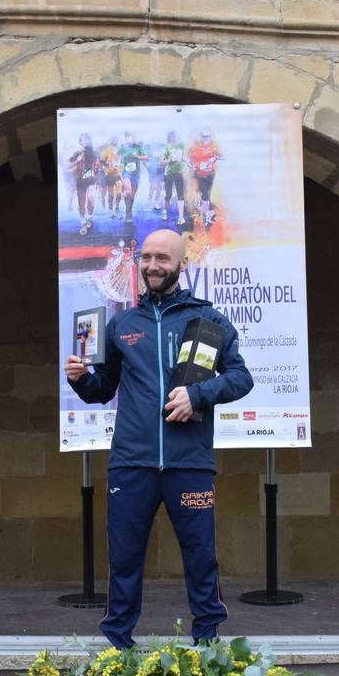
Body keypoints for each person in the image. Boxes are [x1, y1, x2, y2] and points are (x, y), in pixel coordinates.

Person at [63, 229, 253, 647]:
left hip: (190, 463)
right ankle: (117, 643)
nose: (152, 265)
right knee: (124, 558)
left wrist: (198, 394)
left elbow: (241, 378)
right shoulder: (122, 324)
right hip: (131, 463)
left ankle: (207, 643)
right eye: (147, 257)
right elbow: (103, 389)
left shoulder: (208, 320)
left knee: (201, 557)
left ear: (182, 263)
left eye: (163, 258)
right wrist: (80, 379)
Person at [187, 128, 224, 226]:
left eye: (207, 136)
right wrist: (192, 166)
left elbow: (223, 156)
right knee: (205, 195)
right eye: (204, 136)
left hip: (210, 174)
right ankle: (206, 217)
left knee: (207, 194)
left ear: (210, 137)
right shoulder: (197, 147)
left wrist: (215, 158)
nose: (206, 138)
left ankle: (205, 211)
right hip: (199, 174)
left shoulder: (214, 147)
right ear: (201, 137)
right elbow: (190, 159)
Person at [68, 133, 99, 236]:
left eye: (87, 139)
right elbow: (69, 165)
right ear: (80, 142)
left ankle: (89, 217)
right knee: (82, 205)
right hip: (80, 182)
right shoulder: (77, 153)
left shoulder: (95, 152)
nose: (85, 141)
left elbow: (101, 164)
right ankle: (83, 223)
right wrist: (77, 160)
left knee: (91, 200)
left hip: (92, 181)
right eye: (83, 140)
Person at [161, 130, 188, 226]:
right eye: (172, 137)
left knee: (181, 195)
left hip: (179, 173)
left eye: (175, 136)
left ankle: (181, 217)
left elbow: (183, 157)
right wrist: (170, 160)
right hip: (169, 173)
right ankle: (165, 211)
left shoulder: (181, 146)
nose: (174, 138)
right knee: (168, 195)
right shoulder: (167, 147)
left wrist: (188, 163)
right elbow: (162, 162)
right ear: (169, 138)